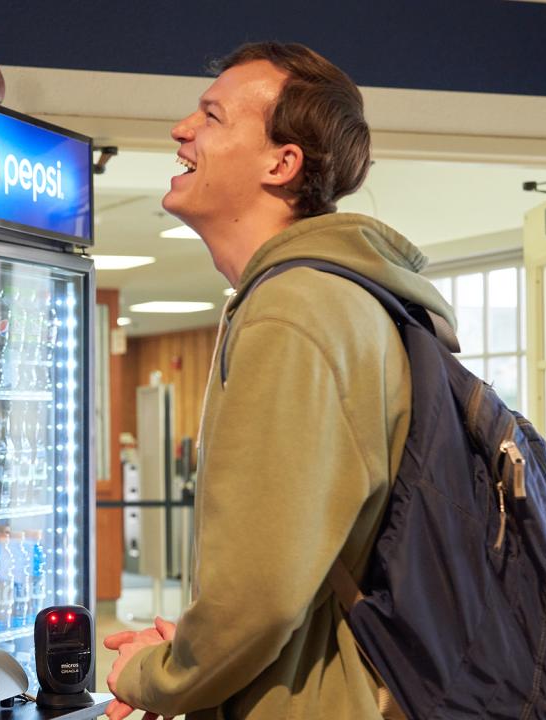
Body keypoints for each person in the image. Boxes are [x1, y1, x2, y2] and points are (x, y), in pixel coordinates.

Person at [103, 43, 456, 719]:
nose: (182, 129)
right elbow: (304, 572)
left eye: (211, 115)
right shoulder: (349, 299)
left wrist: (161, 677)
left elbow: (259, 595)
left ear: (281, 162)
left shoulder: (294, 310)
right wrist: (204, 653)